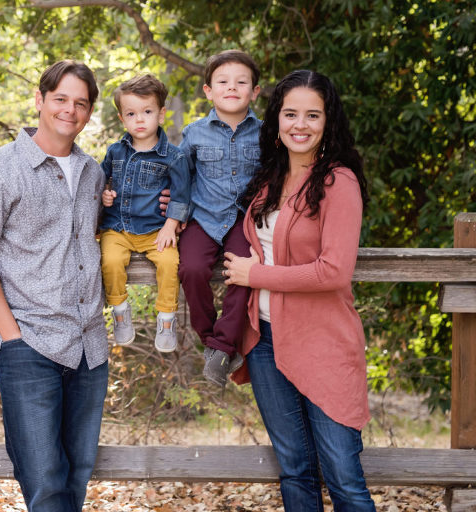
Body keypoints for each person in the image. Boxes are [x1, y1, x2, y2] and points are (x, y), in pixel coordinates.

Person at [0, 60, 108, 512]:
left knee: (76, 478)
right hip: (30, 344)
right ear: (39, 101)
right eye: (60, 99)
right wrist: (11, 338)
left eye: (81, 103)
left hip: (88, 346)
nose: (70, 110)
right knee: (44, 483)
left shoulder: (93, 174)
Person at [223, 69, 375, 511]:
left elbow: (333, 272)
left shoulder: (337, 181)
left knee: (344, 479)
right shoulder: (269, 180)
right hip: (265, 341)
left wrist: (257, 276)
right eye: (291, 114)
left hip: (324, 344)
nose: (300, 125)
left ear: (329, 121)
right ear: (277, 119)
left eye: (313, 115)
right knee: (295, 471)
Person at [177, 49, 262, 388]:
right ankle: (214, 342)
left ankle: (222, 346)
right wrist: (174, 215)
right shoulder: (193, 133)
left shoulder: (266, 134)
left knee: (243, 273)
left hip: (244, 220)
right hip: (204, 218)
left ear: (254, 92)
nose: (232, 87)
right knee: (191, 268)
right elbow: (181, 178)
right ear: (208, 91)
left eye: (241, 82)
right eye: (222, 82)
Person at [99, 74, 191, 353]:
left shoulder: (173, 157)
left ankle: (166, 318)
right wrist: (104, 193)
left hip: (155, 229)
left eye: (147, 112)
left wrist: (170, 226)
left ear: (161, 114)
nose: (140, 119)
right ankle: (119, 310)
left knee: (169, 263)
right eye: (131, 113)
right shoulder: (115, 151)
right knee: (111, 261)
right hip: (118, 228)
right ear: (122, 118)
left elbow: (181, 194)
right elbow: (102, 180)